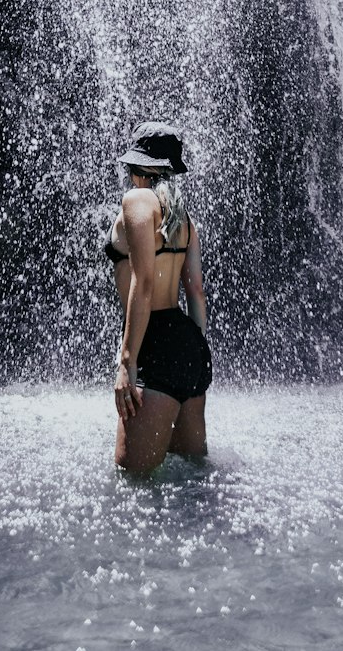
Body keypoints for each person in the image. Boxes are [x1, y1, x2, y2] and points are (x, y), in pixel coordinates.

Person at [104, 121, 211, 473]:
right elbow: (195, 292)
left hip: (154, 340)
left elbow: (143, 282)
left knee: (131, 478)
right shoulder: (184, 218)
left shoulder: (138, 200)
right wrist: (199, 353)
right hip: (189, 344)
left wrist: (127, 362)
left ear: (137, 165)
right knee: (191, 472)